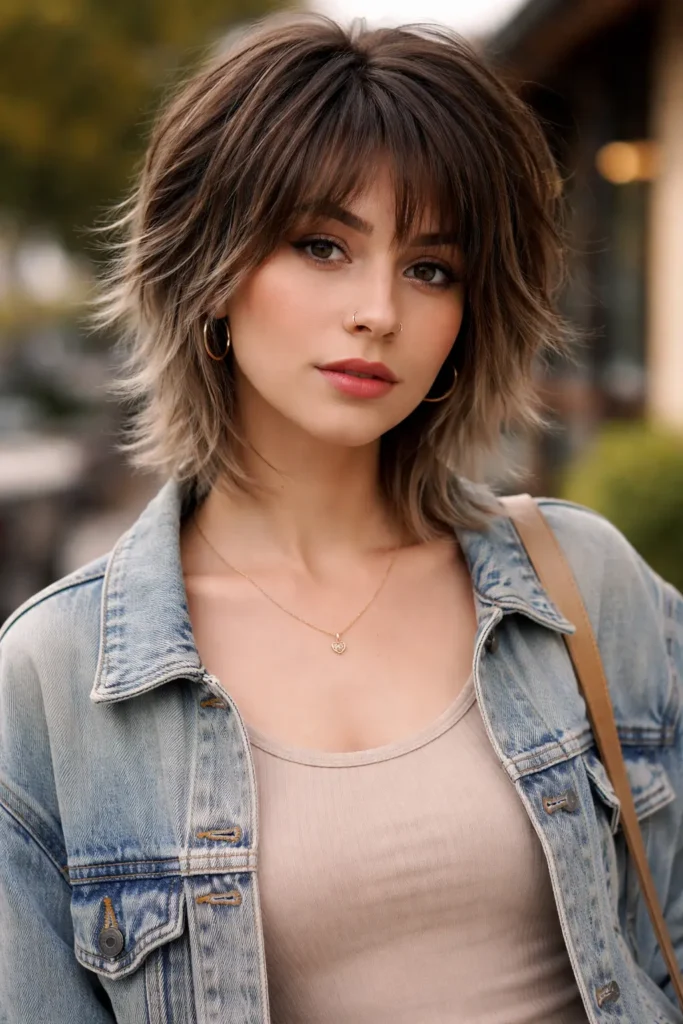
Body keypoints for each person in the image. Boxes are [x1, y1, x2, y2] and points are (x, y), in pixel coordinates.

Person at [1, 11, 682, 1024]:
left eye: (429, 268)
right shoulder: (58, 677)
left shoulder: (580, 584)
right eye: (321, 245)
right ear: (210, 271)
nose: (377, 309)